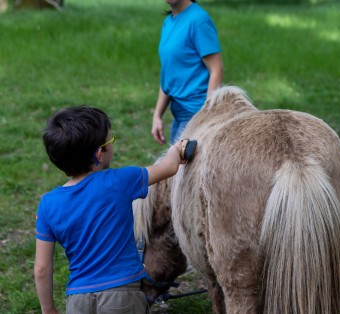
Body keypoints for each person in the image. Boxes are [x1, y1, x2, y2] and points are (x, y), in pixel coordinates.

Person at [34, 105, 186, 314]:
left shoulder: (47, 205)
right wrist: (176, 150)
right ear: (99, 154)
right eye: (110, 140)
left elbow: (41, 268)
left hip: (77, 300)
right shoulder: (120, 180)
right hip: (123, 296)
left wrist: (48, 308)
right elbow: (169, 168)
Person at [151, 0, 224, 145]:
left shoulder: (199, 20)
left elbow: (216, 69)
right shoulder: (168, 22)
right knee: (175, 166)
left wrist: (206, 114)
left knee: (174, 165)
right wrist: (157, 115)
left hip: (195, 114)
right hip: (179, 113)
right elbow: (168, 74)